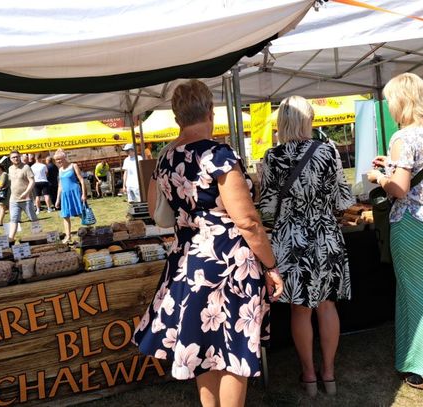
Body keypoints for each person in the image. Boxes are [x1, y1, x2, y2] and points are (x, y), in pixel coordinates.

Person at [132, 80, 283, 407]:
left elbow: (156, 211)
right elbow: (247, 221)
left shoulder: (166, 157)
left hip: (187, 263)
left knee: (202, 347)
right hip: (228, 264)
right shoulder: (218, 155)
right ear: (211, 111)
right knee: (233, 351)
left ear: (177, 117)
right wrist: (271, 266)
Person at [258, 95, 354, 397]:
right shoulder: (328, 150)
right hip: (326, 236)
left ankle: (309, 376)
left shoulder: (272, 157)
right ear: (308, 120)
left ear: (282, 123)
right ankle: (330, 374)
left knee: (300, 310)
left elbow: (267, 209)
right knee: (327, 305)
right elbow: (343, 199)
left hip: (290, 240)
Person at [366, 73, 423, 393]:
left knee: (417, 297)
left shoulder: (403, 137)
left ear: (400, 101)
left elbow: (399, 189)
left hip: (412, 224)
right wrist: (392, 166)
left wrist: (378, 178)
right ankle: (415, 359)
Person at [54, 149, 87, 244]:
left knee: (81, 213)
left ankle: (89, 230)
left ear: (64, 157)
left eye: (60, 159)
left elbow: (81, 180)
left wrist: (84, 194)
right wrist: (57, 199)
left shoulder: (73, 166)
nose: (58, 161)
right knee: (65, 216)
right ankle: (68, 236)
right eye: (56, 160)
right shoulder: (60, 170)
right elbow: (60, 185)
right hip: (65, 195)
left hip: (75, 192)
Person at [8, 150, 38, 239]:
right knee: (13, 220)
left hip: (26, 199)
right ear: (10, 159)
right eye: (13, 157)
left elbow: (32, 181)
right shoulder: (10, 168)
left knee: (33, 219)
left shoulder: (26, 167)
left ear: (20, 157)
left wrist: (26, 192)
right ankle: (10, 239)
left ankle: (39, 237)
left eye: (17, 156)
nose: (16, 158)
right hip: (13, 199)